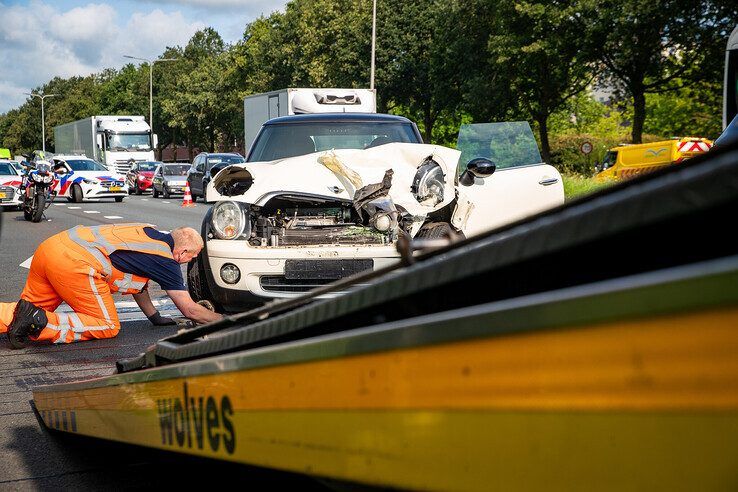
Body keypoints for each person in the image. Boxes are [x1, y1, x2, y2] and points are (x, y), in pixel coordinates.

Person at [0, 223, 222, 348]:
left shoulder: (149, 232)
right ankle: (37, 323)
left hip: (51, 248)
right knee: (106, 325)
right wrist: (228, 322)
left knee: (21, 314)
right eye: (192, 257)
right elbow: (189, 309)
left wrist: (155, 317)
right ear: (182, 252)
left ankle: (27, 319)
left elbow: (139, 283)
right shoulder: (166, 260)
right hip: (76, 262)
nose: (190, 261)